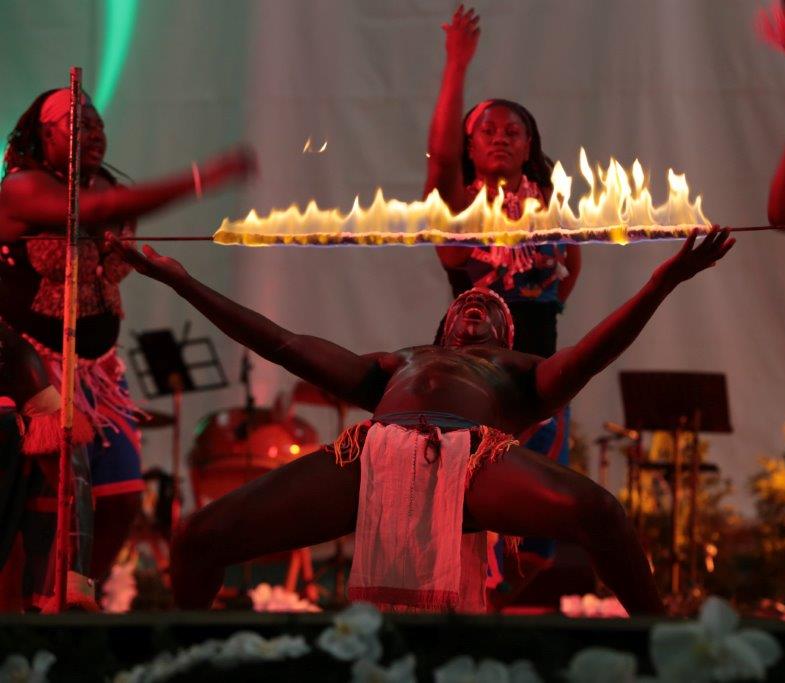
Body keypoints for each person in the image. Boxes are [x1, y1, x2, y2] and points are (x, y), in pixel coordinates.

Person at [107, 226, 734, 615]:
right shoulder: (396, 363)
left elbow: (588, 356)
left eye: (491, 312)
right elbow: (284, 344)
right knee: (196, 537)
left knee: (598, 510)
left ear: (508, 336)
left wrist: (660, 284)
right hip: (373, 454)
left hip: (473, 459)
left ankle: (660, 639)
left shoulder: (516, 371)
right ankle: (185, 650)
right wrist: (183, 282)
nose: (477, 312)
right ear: (442, 325)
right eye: (467, 305)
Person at [0, 87, 253, 585]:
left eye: (96, 123)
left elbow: (104, 220)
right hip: (33, 371)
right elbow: (89, 213)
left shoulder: (104, 187)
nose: (93, 132)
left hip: (100, 375)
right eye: (77, 124)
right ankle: (34, 617)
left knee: (120, 501)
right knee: (56, 504)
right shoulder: (21, 188)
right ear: (43, 134)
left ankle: (81, 606)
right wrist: (201, 179)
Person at [425, 4, 583, 567]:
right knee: (468, 503)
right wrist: (455, 65)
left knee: (536, 509)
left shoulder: (551, 204)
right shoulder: (459, 205)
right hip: (468, 371)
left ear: (528, 143)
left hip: (539, 368)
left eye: (512, 131)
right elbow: (440, 154)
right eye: (486, 130)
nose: (500, 138)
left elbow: (573, 266)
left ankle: (512, 614)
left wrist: (541, 313)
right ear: (469, 148)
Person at [0, 321, 95, 611]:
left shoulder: (9, 352)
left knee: (42, 440)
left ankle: (53, 596)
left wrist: (73, 581)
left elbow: (65, 445)